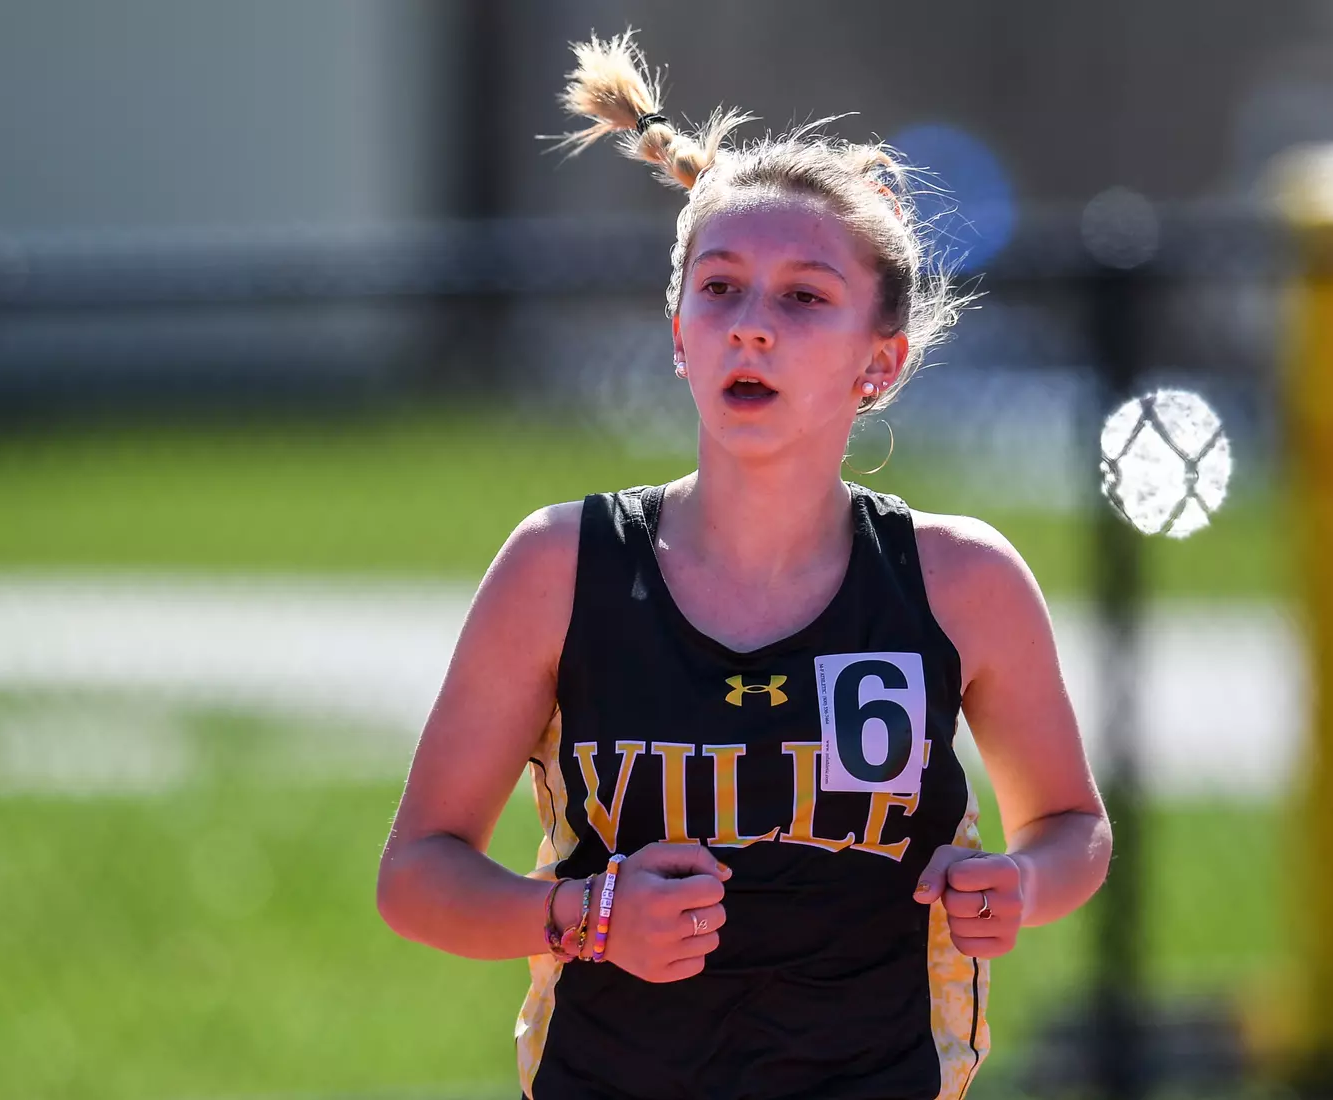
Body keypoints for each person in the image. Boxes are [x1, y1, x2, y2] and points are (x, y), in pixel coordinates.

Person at [376, 30, 1111, 1100]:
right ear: (677, 330)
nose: (751, 329)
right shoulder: (560, 565)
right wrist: (586, 916)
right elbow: (417, 873)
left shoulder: (961, 582)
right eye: (720, 290)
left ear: (882, 360)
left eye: (804, 297)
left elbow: (1072, 826)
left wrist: (1023, 882)